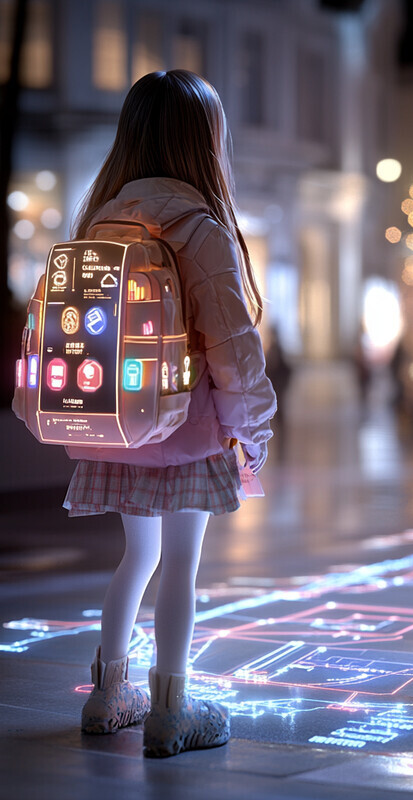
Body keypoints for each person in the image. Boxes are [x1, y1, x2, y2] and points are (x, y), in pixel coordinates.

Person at [63, 70, 276, 758]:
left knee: (136, 558)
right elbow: (234, 349)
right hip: (188, 435)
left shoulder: (102, 222)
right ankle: (171, 707)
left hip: (117, 425)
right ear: (202, 143)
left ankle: (106, 693)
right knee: (181, 567)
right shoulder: (200, 229)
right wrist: (254, 433)